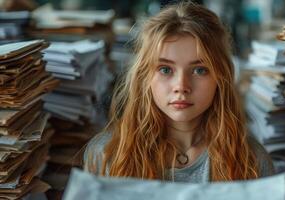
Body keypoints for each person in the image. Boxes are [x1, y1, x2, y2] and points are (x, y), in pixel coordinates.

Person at [84, 1, 274, 182]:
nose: (181, 86)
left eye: (200, 70)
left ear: (220, 78)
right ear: (144, 77)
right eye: (165, 69)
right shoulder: (106, 154)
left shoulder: (252, 161)